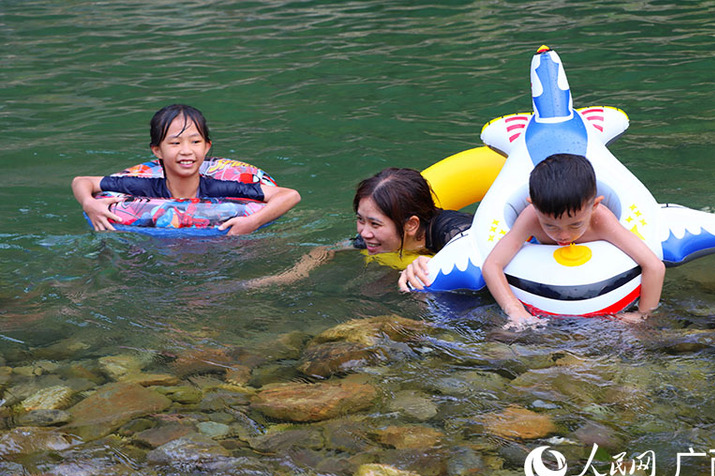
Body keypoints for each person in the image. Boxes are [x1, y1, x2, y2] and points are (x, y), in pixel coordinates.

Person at [479, 153, 665, 327]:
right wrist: (515, 309)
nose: (563, 235)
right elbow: (492, 265)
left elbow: (654, 266)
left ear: (595, 206)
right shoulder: (530, 218)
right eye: (550, 226)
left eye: (575, 225)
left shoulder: (602, 221)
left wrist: (643, 314)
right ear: (533, 207)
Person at [72, 104, 301, 235]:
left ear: (207, 147)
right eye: (175, 143)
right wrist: (89, 203)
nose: (186, 151)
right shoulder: (143, 188)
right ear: (157, 151)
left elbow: (290, 195)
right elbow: (82, 181)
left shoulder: (220, 188)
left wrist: (253, 222)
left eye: (195, 142)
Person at [245, 167, 473, 287]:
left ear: (411, 224)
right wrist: (294, 273)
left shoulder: (450, 230)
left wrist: (435, 263)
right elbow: (328, 248)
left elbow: (480, 250)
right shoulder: (371, 235)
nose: (364, 232)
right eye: (361, 219)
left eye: (375, 223)